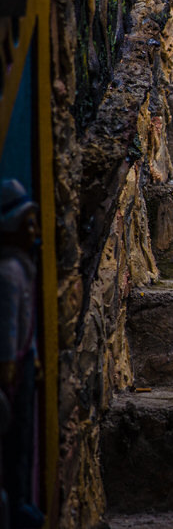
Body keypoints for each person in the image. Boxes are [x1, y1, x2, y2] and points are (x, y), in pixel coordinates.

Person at [0, 180, 44, 528]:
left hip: (24, 360)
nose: (34, 231)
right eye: (27, 223)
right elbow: (9, 325)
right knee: (15, 432)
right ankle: (17, 501)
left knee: (25, 429)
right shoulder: (10, 274)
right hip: (13, 364)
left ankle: (21, 500)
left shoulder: (19, 269)